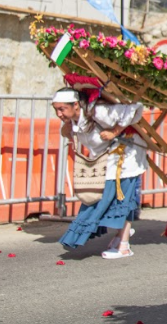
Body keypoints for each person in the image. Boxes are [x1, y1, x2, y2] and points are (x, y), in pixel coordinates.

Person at [52, 87, 146, 258]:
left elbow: (134, 107)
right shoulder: (73, 120)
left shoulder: (98, 111)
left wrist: (115, 131)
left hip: (125, 155)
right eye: (56, 109)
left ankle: (124, 247)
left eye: (62, 109)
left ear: (75, 105)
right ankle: (120, 238)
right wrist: (67, 124)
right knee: (109, 197)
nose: (58, 113)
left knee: (117, 197)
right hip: (106, 159)